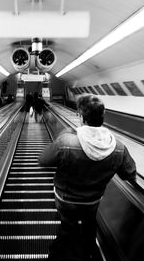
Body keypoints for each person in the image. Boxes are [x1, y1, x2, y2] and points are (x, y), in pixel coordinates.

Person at [38, 94, 137, 261]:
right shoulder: (118, 147)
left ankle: (57, 254)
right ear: (102, 117)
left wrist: (63, 136)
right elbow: (129, 173)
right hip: (92, 201)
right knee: (89, 224)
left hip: (65, 199)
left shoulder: (66, 141)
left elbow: (43, 160)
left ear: (81, 116)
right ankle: (87, 253)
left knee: (67, 227)